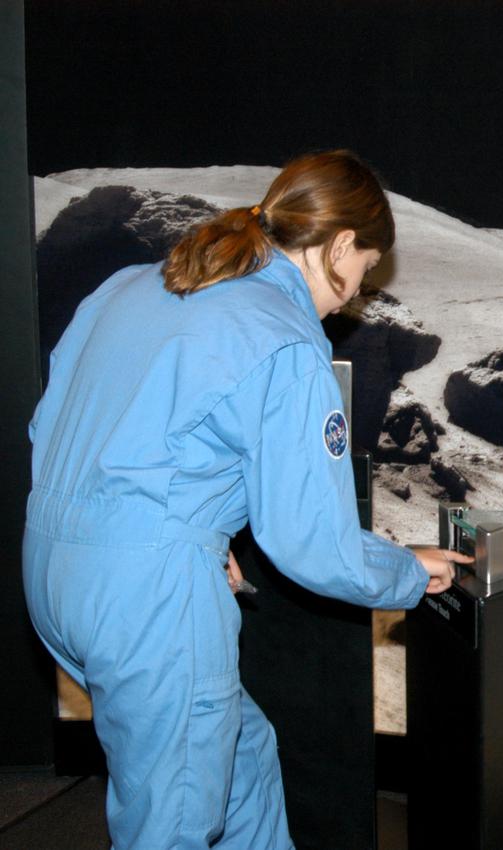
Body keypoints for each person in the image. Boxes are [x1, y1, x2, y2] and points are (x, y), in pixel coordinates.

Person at [23, 150, 471, 849]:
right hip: (151, 600)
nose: (353, 296)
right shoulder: (286, 341)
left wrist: (197, 535)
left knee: (240, 755)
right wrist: (406, 572)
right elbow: (310, 545)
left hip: (55, 574)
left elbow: (53, 427)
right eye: (362, 273)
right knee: (169, 825)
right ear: (340, 245)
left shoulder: (129, 286)